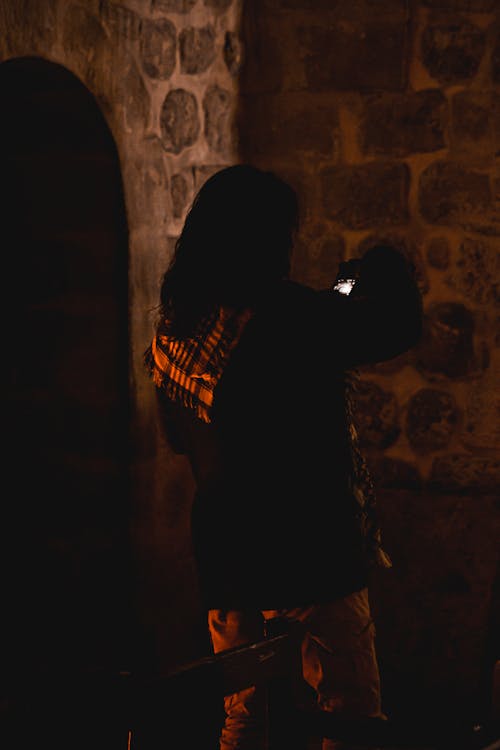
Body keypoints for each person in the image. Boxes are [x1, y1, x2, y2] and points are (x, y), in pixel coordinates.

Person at [144, 164, 423, 749]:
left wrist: (344, 285)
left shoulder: (174, 333)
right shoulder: (292, 318)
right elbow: (391, 324)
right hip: (309, 553)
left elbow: (180, 436)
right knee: (350, 716)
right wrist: (382, 270)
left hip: (228, 556)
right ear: (266, 240)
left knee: (245, 719)